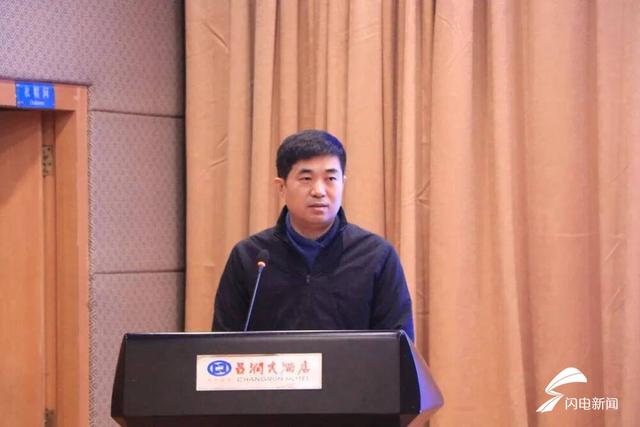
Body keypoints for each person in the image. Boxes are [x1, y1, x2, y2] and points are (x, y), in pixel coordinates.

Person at [213, 129, 415, 340]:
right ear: (281, 187)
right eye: (306, 178)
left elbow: (399, 345)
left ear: (343, 183)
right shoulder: (250, 257)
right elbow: (222, 344)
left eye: (330, 178)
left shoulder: (376, 256)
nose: (319, 191)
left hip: (351, 364)